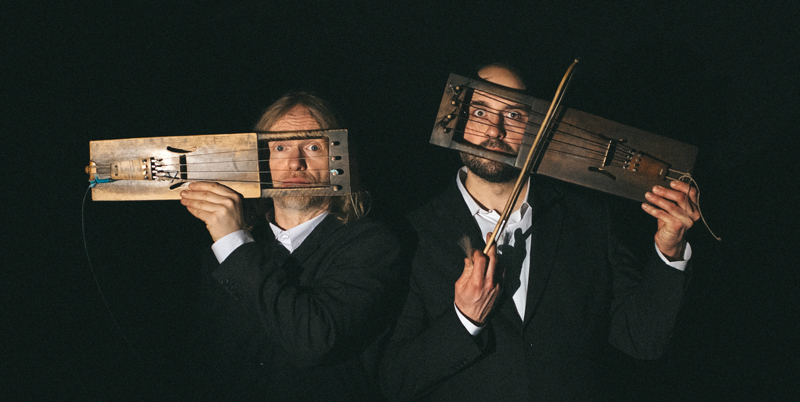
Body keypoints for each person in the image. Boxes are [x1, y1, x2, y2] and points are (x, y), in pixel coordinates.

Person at [380, 64, 700, 401]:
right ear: (457, 120)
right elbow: (393, 380)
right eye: (480, 111)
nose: (495, 130)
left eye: (514, 115)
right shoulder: (411, 235)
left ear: (537, 127)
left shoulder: (589, 217)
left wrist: (670, 251)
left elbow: (642, 340)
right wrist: (464, 320)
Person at [180, 91, 403, 401]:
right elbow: (207, 358)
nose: (295, 162)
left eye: (313, 147)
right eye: (280, 147)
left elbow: (313, 340)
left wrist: (233, 241)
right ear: (259, 162)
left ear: (339, 159)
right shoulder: (226, 247)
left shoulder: (372, 243)